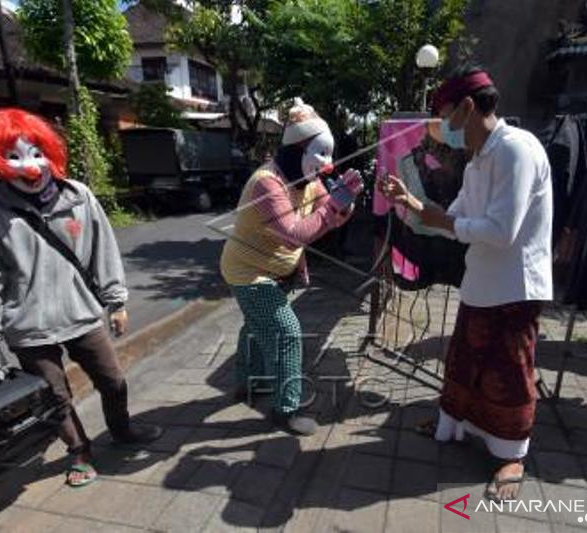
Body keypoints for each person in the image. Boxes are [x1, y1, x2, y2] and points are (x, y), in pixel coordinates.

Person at [0, 108, 162, 488]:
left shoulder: (78, 196)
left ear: (50, 152)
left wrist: (116, 300)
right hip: (29, 329)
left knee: (114, 382)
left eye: (36, 152)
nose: (30, 166)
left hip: (82, 314)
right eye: (14, 156)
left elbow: (103, 249)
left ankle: (122, 430)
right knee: (56, 398)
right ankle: (80, 452)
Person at [379, 66, 553, 502]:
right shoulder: (478, 160)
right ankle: (452, 426)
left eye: (447, 117)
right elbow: (450, 220)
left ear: (469, 107)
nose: (445, 129)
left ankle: (512, 454)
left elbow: (501, 231)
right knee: (464, 362)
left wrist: (444, 219)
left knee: (509, 372)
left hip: (515, 285)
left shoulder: (516, 150)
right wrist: (412, 202)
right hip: (482, 281)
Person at [220, 98, 362, 436]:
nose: (328, 163)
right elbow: (296, 235)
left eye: (330, 154)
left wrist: (345, 202)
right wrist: (333, 209)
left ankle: (248, 384)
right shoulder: (267, 183)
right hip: (249, 272)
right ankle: (286, 409)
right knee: (286, 333)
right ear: (298, 148)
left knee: (255, 326)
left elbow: (329, 219)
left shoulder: (306, 179)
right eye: (322, 153)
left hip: (274, 270)